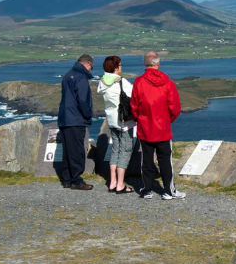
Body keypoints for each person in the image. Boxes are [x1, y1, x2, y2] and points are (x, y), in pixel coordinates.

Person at [130, 51, 184, 200]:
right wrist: (167, 120)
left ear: (145, 63)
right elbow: (175, 107)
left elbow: (133, 106)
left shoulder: (139, 82)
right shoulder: (167, 82)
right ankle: (168, 190)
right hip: (163, 128)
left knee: (146, 160)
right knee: (165, 161)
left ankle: (147, 189)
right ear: (157, 63)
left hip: (145, 127)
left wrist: (139, 119)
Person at [97, 55, 135, 194]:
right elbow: (134, 95)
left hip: (111, 120)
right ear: (116, 67)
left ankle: (112, 182)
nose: (121, 66)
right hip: (124, 120)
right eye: (120, 64)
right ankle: (120, 184)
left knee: (115, 149)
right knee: (125, 151)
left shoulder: (102, 82)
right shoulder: (121, 82)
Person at [58, 54, 95, 190]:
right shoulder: (81, 77)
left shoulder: (68, 75)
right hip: (76, 119)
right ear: (88, 64)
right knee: (77, 151)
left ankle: (67, 179)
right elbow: (83, 100)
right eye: (91, 67)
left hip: (64, 118)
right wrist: (87, 115)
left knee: (68, 150)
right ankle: (76, 180)